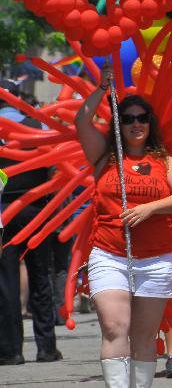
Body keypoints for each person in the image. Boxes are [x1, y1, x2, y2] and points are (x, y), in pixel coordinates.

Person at [75, 66, 172, 388]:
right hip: (110, 254)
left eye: (142, 118)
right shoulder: (104, 158)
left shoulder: (166, 162)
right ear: (119, 124)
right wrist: (102, 88)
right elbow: (81, 121)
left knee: (143, 336)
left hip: (156, 260)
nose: (136, 124)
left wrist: (150, 208)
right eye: (127, 118)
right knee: (115, 328)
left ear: (150, 123)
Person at [0, 79, 60, 365]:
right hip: (35, 206)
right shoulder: (39, 125)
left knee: (5, 281)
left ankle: (11, 350)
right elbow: (54, 169)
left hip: (2, 210)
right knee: (40, 274)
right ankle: (46, 347)